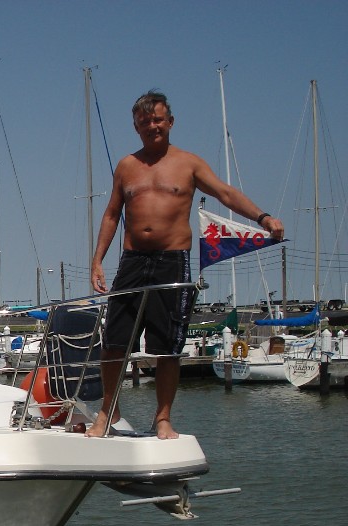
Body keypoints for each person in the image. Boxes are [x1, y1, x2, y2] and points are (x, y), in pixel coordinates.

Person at [88, 90, 283, 439]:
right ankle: (107, 411)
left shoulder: (189, 163)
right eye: (145, 121)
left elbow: (225, 193)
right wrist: (97, 261)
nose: (152, 126)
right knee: (114, 342)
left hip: (172, 262)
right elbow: (112, 214)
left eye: (158, 119)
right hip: (132, 261)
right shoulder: (127, 166)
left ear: (170, 122)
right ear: (136, 126)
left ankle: (162, 418)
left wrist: (262, 216)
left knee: (167, 347)